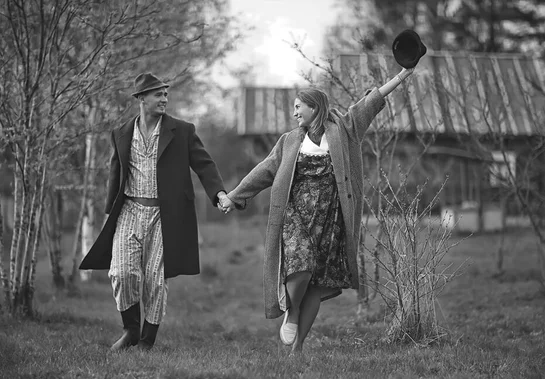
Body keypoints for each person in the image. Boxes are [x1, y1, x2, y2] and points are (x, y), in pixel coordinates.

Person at [218, 67, 415, 353]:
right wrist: (234, 196)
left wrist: (402, 74)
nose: (295, 113)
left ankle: (298, 347)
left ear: (314, 107)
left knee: (315, 281)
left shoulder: (345, 130)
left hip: (330, 219)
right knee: (300, 263)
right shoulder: (289, 141)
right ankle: (293, 312)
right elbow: (265, 170)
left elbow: (369, 103)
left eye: (299, 107)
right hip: (296, 215)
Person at [80, 73, 229, 351]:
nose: (164, 99)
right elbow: (116, 174)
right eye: (158, 94)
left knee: (155, 281)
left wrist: (218, 193)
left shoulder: (182, 131)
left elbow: (204, 164)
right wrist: (108, 215)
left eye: (165, 94)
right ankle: (131, 330)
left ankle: (147, 341)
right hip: (128, 211)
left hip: (165, 216)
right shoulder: (121, 133)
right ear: (141, 99)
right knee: (122, 273)